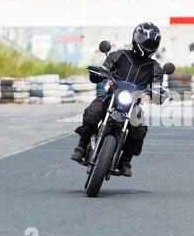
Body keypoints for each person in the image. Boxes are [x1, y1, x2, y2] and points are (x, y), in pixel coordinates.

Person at [71, 22, 167, 177]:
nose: (148, 45)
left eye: (152, 43)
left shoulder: (155, 68)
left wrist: (159, 94)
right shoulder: (119, 55)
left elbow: (156, 89)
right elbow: (104, 70)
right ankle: (82, 146)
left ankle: (125, 160)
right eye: (146, 41)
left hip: (132, 104)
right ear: (137, 38)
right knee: (93, 111)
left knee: (140, 127)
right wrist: (96, 73)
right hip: (111, 97)